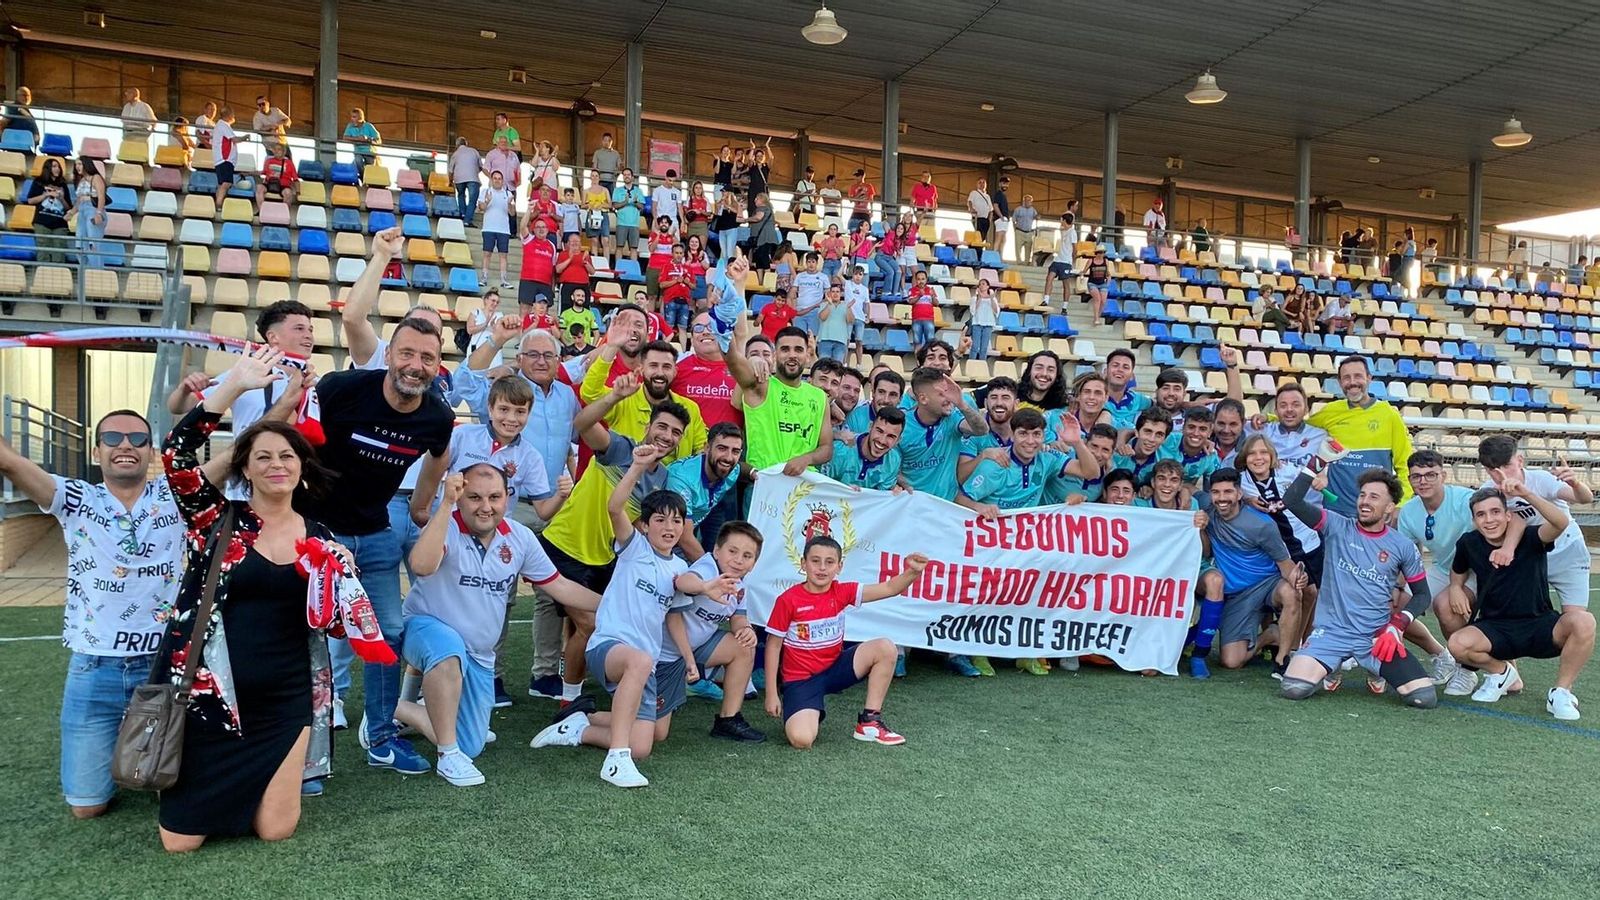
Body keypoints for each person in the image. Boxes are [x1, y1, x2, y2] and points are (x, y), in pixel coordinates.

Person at [153, 350, 365, 851]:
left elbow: (335, 626)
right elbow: (176, 457)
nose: (277, 464)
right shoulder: (216, 520)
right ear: (244, 467)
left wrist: (342, 580)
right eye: (263, 456)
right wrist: (233, 389)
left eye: (287, 456)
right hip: (211, 698)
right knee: (179, 844)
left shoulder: (320, 535)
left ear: (302, 468)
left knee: (277, 830)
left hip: (287, 698)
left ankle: (254, 793)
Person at [0, 410, 183, 820]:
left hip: (163, 667)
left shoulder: (175, 493)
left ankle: (137, 740)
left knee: (168, 788)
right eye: (113, 437)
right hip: (94, 667)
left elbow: (242, 452)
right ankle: (121, 736)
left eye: (137, 439)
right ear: (96, 450)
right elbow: (8, 460)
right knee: (88, 807)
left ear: (150, 451)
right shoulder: (76, 498)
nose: (125, 445)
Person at [531, 445, 740, 787]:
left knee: (646, 741)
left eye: (676, 520)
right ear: (644, 525)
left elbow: (683, 582)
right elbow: (614, 507)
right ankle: (615, 762)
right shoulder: (634, 547)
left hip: (644, 664)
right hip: (609, 648)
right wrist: (637, 468)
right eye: (660, 519)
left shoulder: (679, 566)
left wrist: (704, 587)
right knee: (641, 662)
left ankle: (579, 725)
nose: (669, 527)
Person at [313, 307, 455, 774]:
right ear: (389, 355)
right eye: (407, 353)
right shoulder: (340, 390)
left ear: (438, 366)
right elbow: (291, 441)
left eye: (428, 358)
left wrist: (422, 506)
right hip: (317, 532)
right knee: (301, 635)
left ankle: (379, 738)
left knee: (385, 637)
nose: (416, 365)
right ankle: (296, 740)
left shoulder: (437, 414)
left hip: (375, 534)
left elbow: (439, 455)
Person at [398, 466, 599, 785]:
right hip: (425, 629)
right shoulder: (446, 524)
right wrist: (446, 505)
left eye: (494, 497)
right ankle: (448, 757)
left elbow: (559, 586)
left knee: (471, 744)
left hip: (479, 654)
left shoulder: (519, 537)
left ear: (508, 498)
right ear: (461, 496)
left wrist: (613, 606)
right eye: (474, 497)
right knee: (448, 649)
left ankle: (396, 710)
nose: (485, 506)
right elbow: (421, 566)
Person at [1277, 457, 1439, 709]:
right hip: (1330, 633)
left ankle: (1376, 669)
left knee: (1423, 698)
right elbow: (1292, 502)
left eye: (1374, 497)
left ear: (1389, 507)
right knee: (1294, 689)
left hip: (1375, 636)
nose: (1365, 501)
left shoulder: (1403, 546)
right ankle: (1330, 664)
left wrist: (1397, 626)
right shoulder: (1336, 525)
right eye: (1362, 495)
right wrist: (1314, 464)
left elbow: (1422, 596)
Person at [1448, 484, 1594, 719]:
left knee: (1584, 621)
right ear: (1474, 520)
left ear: (1508, 515)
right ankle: (1503, 673)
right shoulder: (1469, 542)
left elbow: (1560, 523)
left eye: (1495, 512)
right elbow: (1458, 570)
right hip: (1496, 627)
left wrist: (1526, 494)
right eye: (1481, 515)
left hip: (1539, 623)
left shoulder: (1531, 537)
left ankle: (1561, 692)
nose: (1489, 520)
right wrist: (1455, 587)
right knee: (1457, 644)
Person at [765, 538, 929, 748]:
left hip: (835, 669)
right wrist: (771, 694)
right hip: (801, 680)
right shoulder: (788, 600)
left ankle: (869, 722)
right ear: (803, 563)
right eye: (815, 561)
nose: (822, 568)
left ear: (839, 567)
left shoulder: (842, 591)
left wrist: (913, 572)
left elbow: (889, 588)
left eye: (829, 562)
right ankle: (805, 708)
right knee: (802, 740)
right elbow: (773, 646)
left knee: (885, 647)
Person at [654, 522, 769, 741]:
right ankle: (584, 717)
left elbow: (738, 617)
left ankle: (728, 720)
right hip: (663, 655)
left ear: (754, 563)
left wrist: (746, 630)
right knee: (655, 731)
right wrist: (706, 587)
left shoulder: (742, 583)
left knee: (744, 645)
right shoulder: (708, 567)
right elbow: (684, 581)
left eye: (747, 556)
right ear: (716, 551)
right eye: (732, 551)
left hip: (697, 649)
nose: (738, 560)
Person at [1193, 468, 1305, 679]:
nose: (1222, 498)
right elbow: (1187, 488)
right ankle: (1270, 635)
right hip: (1237, 595)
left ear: (1239, 493)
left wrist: (1298, 580)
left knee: (1291, 592)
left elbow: (1285, 565)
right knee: (1231, 661)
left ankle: (1282, 660)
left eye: (1228, 492)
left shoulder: (1262, 524)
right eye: (1216, 492)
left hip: (1267, 584)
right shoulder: (1207, 508)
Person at [1396, 449, 1490, 697]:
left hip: (1477, 569)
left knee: (1445, 605)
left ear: (1443, 475)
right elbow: (1406, 555)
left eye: (1430, 474)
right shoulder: (1409, 511)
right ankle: (1442, 655)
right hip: (1443, 567)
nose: (1423, 481)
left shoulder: (1465, 501)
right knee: (1394, 608)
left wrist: (1458, 586)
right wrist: (1396, 587)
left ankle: (1465, 669)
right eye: (1416, 476)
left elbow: (1492, 532)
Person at [1477, 434, 1593, 613]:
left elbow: (1585, 498)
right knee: (1525, 615)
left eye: (1507, 466)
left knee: (1576, 619)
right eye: (1493, 469)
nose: (1501, 474)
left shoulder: (1541, 479)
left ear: (1520, 461)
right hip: (1529, 557)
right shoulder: (1488, 492)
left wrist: (1575, 483)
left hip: (1568, 551)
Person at [1307, 356, 1412, 517]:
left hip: (1375, 512)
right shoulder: (1330, 411)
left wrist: (1401, 504)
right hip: (1337, 510)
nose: (1352, 382)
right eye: (1346, 378)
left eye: (1358, 376)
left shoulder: (1389, 415)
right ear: (1340, 382)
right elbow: (1297, 424)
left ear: (1369, 378)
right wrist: (1268, 418)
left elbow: (1404, 464)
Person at [727, 318, 832, 475]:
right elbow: (734, 362)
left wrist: (806, 459)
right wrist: (723, 327)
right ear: (775, 356)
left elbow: (826, 448)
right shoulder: (762, 384)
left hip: (803, 487)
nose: (792, 355)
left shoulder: (819, 397)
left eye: (798, 350)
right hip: (763, 482)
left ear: (808, 356)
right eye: (785, 349)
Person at [26, 156, 72, 263]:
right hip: (42, 222)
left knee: (59, 253)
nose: (57, 169)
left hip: (60, 224)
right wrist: (46, 195)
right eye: (54, 166)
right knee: (43, 252)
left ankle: (58, 277)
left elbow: (68, 207)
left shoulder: (63, 185)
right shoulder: (39, 182)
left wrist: (61, 198)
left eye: (58, 167)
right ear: (48, 169)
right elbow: (30, 200)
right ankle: (42, 276)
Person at [478, 170, 514, 288]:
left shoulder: (508, 194)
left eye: (499, 178)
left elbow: (512, 213)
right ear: (491, 180)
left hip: (503, 229)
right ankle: (484, 278)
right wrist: (487, 200)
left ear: (502, 181)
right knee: (487, 253)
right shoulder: (485, 191)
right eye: (495, 178)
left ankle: (504, 280)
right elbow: (481, 208)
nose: (497, 180)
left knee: (503, 255)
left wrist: (509, 204)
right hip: (489, 228)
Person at [517, 218, 558, 313]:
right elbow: (522, 226)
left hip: (545, 283)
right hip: (528, 280)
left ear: (548, 230)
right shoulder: (529, 239)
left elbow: (553, 267)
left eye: (543, 227)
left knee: (543, 313)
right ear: (534, 230)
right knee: (524, 310)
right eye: (538, 227)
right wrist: (528, 210)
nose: (541, 229)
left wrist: (552, 287)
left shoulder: (552, 246)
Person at [611, 168, 646, 263]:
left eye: (628, 174)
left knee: (634, 248)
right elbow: (614, 206)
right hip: (621, 222)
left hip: (634, 224)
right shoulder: (617, 190)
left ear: (632, 177)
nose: (626, 176)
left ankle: (633, 267)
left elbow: (642, 206)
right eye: (624, 175)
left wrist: (635, 202)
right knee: (619, 246)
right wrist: (625, 202)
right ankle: (618, 267)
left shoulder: (638, 191)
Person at [816, 282, 854, 363]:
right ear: (829, 293)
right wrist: (829, 304)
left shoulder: (846, 306)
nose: (835, 294)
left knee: (837, 367)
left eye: (837, 292)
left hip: (840, 341)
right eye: (833, 292)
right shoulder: (824, 304)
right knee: (823, 366)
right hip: (825, 340)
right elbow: (822, 317)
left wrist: (848, 308)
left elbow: (850, 321)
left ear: (841, 294)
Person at [450, 137, 483, 229]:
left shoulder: (455, 154)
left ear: (457, 145)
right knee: (472, 200)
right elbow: (481, 166)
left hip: (459, 178)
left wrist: (450, 181)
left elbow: (451, 170)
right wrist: (474, 171)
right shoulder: (474, 151)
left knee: (461, 195)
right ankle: (467, 221)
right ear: (466, 143)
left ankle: (463, 215)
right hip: (473, 178)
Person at [211, 106, 240, 207]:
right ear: (229, 115)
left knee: (221, 184)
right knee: (226, 183)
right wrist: (245, 137)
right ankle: (219, 204)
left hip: (220, 160)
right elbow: (234, 139)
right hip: (225, 159)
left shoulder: (220, 125)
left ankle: (218, 204)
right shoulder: (223, 125)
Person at [256, 141, 298, 208]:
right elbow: (263, 172)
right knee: (259, 188)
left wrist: (298, 191)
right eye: (275, 149)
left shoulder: (289, 163)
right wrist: (248, 173)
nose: (276, 151)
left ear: (283, 152)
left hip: (283, 186)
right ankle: (261, 210)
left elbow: (295, 178)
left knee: (288, 193)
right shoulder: (269, 161)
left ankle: (284, 213)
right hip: (269, 184)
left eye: (279, 149)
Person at [342, 108, 381, 176]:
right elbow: (345, 138)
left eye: (354, 117)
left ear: (360, 117)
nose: (352, 119)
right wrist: (358, 139)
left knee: (370, 168)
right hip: (358, 151)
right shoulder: (350, 126)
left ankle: (367, 178)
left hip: (370, 152)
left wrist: (368, 139)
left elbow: (378, 140)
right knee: (357, 160)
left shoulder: (369, 126)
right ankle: (363, 178)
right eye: (351, 116)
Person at [2, 85, 38, 156]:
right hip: (16, 143)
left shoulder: (26, 110)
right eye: (24, 95)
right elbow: (4, 122)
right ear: (18, 96)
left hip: (28, 146)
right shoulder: (13, 107)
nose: (26, 97)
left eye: (28, 95)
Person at [847, 169, 876, 233]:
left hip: (865, 211)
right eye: (856, 176)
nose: (856, 178)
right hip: (856, 210)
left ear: (862, 176)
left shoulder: (869, 186)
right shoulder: (853, 186)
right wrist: (859, 194)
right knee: (852, 228)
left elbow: (871, 200)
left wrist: (872, 211)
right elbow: (850, 200)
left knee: (867, 230)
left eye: (858, 176)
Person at [1013, 194, 1039, 263]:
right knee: (1018, 248)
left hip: (1029, 232)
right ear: (1023, 201)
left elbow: (1037, 217)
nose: (1028, 202)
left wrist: (1037, 217)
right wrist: (1014, 229)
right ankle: (1019, 262)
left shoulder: (1033, 210)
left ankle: (1026, 262)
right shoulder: (1018, 209)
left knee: (1028, 249)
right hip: (1019, 231)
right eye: (1026, 200)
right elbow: (1013, 220)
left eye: (1030, 201)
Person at [967, 178, 993, 243]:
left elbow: (991, 209)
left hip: (985, 219)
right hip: (977, 218)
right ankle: (976, 249)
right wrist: (971, 209)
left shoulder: (987, 196)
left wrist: (989, 220)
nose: (982, 184)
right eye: (980, 182)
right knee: (978, 235)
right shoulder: (974, 193)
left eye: (983, 182)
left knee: (983, 237)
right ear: (977, 184)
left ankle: (979, 249)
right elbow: (970, 201)